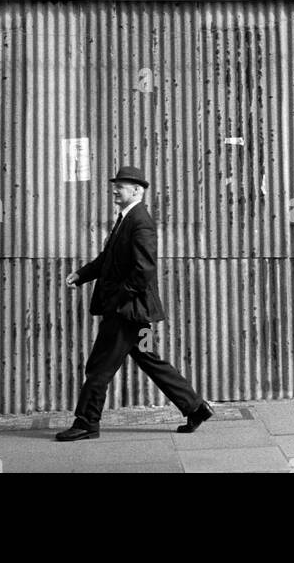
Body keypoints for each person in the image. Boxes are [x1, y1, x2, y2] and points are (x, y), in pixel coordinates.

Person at [56, 165, 213, 441]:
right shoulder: (126, 218)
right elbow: (107, 258)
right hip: (137, 314)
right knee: (150, 359)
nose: (115, 189)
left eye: (122, 185)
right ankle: (196, 408)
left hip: (126, 313)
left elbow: (144, 269)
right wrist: (81, 275)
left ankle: (86, 422)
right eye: (115, 184)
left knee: (99, 367)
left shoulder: (140, 221)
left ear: (137, 190)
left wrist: (117, 300)